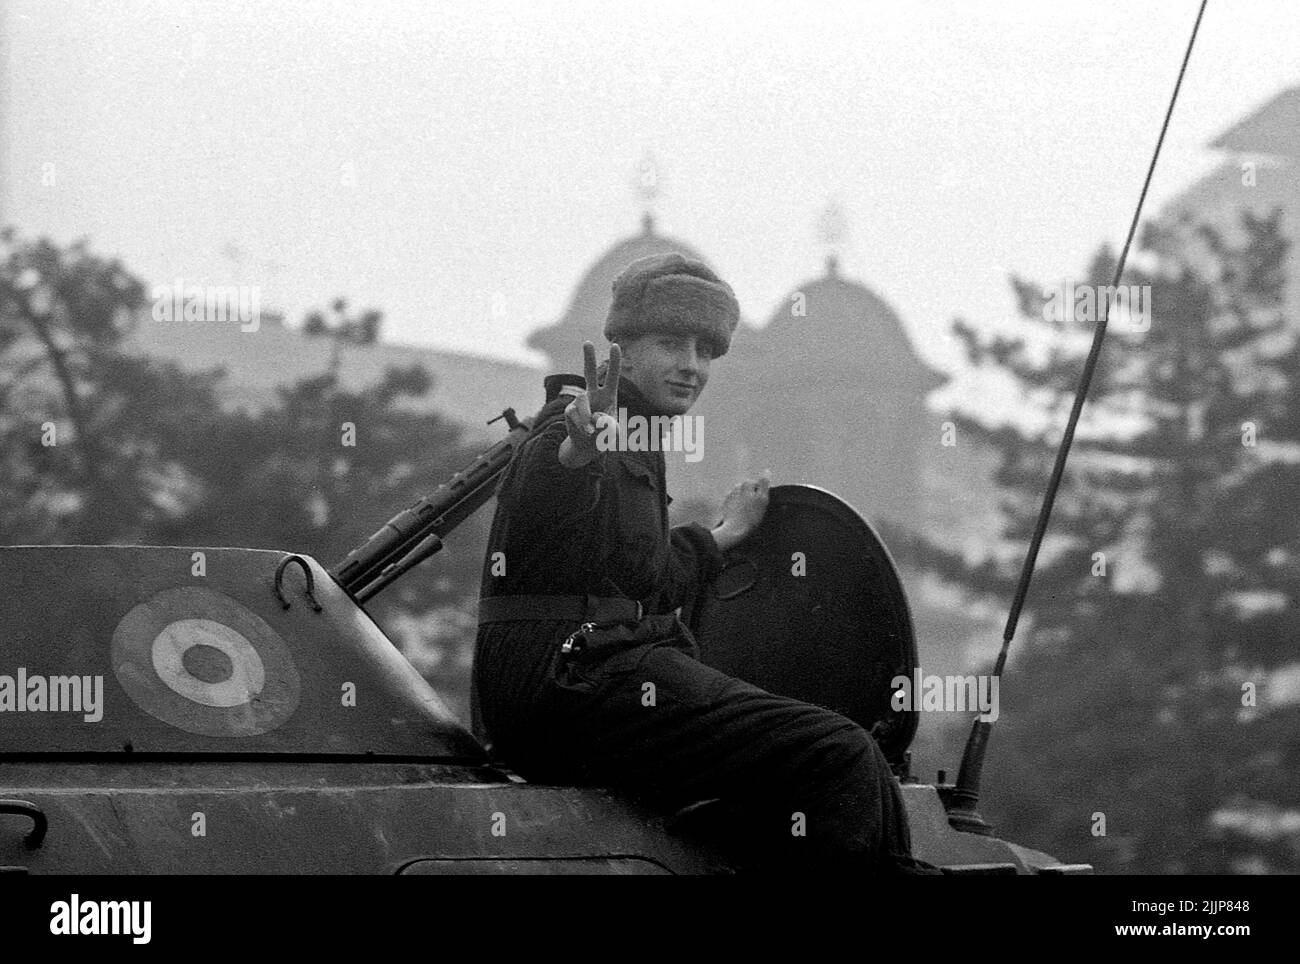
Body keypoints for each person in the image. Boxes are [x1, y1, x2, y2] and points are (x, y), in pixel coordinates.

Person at [472, 252, 926, 873]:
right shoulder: (579, 424)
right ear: (622, 351)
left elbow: (644, 579)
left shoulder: (639, 433)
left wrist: (721, 537)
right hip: (564, 685)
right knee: (837, 751)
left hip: (590, 677)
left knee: (854, 755)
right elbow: (547, 488)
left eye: (705, 352)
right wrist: (578, 450)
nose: (691, 366)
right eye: (671, 344)